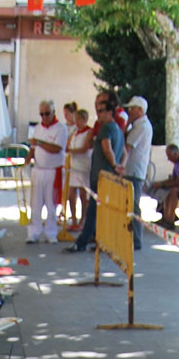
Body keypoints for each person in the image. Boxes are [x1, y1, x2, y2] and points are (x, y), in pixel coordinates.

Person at [72, 94, 124, 251]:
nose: (98, 114)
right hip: (107, 176)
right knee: (98, 211)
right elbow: (124, 152)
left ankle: (86, 242)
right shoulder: (118, 130)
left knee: (96, 210)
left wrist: (115, 165)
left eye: (101, 110)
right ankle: (93, 241)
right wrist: (121, 166)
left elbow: (107, 148)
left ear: (110, 112)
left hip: (103, 177)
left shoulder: (107, 128)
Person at [24, 98, 67, 244]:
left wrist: (40, 143)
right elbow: (33, 147)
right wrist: (28, 158)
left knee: (51, 204)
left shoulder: (61, 128)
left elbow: (57, 148)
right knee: (35, 203)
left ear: (53, 112)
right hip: (38, 170)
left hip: (52, 171)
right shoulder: (38, 127)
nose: (44, 117)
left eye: (46, 113)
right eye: (41, 114)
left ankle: (51, 233)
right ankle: (33, 232)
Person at [117, 95, 153, 251]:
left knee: (133, 205)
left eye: (132, 109)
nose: (129, 111)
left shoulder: (142, 126)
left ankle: (136, 239)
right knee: (129, 204)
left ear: (140, 110)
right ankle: (129, 236)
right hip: (131, 170)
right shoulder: (136, 125)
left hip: (134, 170)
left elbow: (128, 145)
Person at [66, 107, 91, 232]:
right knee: (71, 194)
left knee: (82, 194)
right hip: (74, 167)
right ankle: (74, 219)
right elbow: (68, 144)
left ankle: (82, 220)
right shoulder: (75, 133)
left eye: (79, 120)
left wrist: (72, 151)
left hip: (84, 167)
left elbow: (85, 148)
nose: (77, 122)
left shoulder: (89, 132)